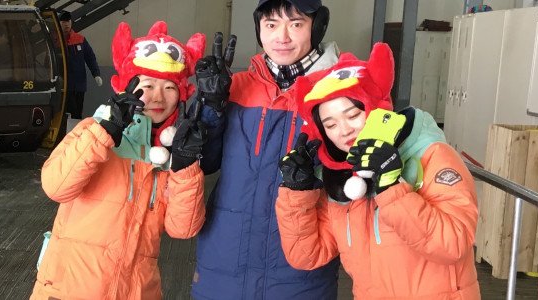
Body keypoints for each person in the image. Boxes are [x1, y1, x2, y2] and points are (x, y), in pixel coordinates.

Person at [276, 42, 480, 299]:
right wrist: (297, 192)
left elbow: (453, 243)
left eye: (352, 115)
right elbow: (307, 255)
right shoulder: (341, 182)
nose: (344, 130)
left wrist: (391, 188)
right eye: (330, 124)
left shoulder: (432, 155)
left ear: (375, 109)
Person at [31, 21, 208, 299]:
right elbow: (56, 186)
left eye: (170, 88)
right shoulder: (94, 129)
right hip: (69, 289)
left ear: (182, 95)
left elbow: (183, 229)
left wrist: (186, 167)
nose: (158, 97)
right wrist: (105, 133)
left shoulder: (172, 152)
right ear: (129, 86)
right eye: (147, 84)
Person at [191, 0, 341, 298]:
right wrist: (210, 105)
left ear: (318, 26)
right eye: (271, 25)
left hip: (300, 262)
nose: (281, 37)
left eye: (296, 24)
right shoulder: (234, 86)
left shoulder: (341, 92)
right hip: (225, 256)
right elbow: (205, 162)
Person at [58, 10, 102, 119]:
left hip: (79, 85)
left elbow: (90, 57)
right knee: (66, 114)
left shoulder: (80, 39)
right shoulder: (55, 41)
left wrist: (96, 74)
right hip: (63, 86)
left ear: (71, 22)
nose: (66, 24)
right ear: (59, 23)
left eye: (68, 21)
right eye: (63, 22)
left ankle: (75, 134)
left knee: (77, 113)